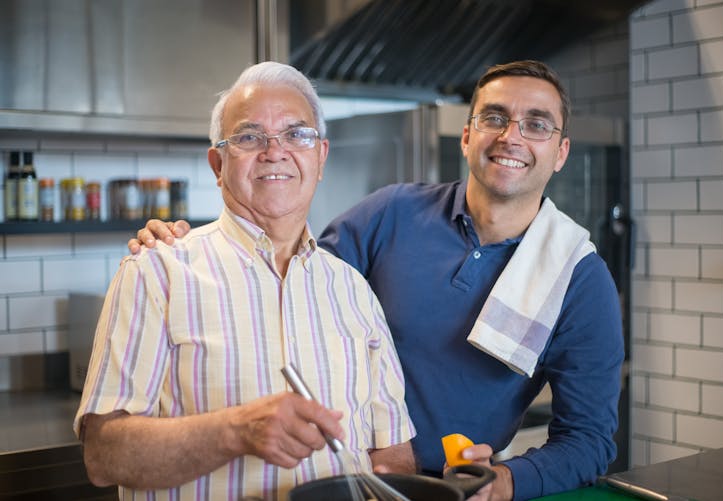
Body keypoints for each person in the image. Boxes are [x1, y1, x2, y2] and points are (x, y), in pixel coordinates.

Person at [131, 60, 624, 500]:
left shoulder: (577, 276)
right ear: (468, 135)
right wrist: (195, 246)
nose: (511, 136)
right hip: (337, 476)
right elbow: (287, 278)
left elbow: (589, 439)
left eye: (536, 125)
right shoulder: (394, 212)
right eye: (494, 117)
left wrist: (507, 481)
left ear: (560, 152)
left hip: (454, 487)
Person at [74, 61, 416, 501]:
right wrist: (235, 431)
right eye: (250, 137)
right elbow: (104, 456)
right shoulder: (156, 272)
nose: (275, 151)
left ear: (320, 156)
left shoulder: (354, 291)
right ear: (218, 163)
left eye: (297, 134)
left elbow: (390, 452)